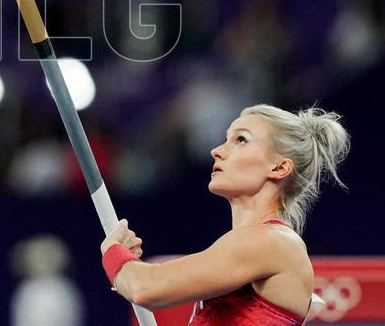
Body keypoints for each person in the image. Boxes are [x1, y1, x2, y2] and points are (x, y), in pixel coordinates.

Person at [100, 105, 351, 324]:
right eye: (226, 139)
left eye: (241, 140)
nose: (217, 150)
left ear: (279, 167)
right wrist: (129, 267)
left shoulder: (273, 241)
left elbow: (148, 288)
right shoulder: (251, 245)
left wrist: (114, 253)